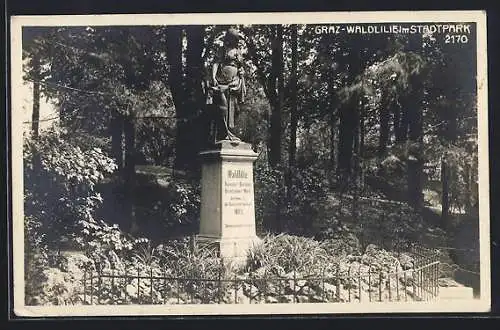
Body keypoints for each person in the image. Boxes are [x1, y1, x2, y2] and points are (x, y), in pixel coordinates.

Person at [206, 28, 246, 142]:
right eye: (232, 38)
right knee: (222, 106)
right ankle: (224, 132)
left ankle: (231, 131)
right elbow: (216, 63)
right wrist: (213, 76)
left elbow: (240, 66)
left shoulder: (238, 51)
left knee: (235, 107)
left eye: (235, 38)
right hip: (222, 81)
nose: (234, 40)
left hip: (235, 82)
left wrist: (242, 72)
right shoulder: (222, 50)